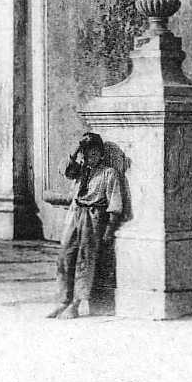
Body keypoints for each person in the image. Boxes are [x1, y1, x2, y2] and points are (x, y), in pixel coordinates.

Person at [49, 132, 124, 319]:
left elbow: (115, 204)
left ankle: (76, 303)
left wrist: (109, 229)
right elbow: (64, 169)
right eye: (86, 154)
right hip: (75, 214)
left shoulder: (108, 173)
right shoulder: (79, 171)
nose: (90, 158)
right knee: (65, 256)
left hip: (93, 218)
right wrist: (76, 150)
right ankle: (63, 301)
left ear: (101, 155)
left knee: (85, 260)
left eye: (94, 154)